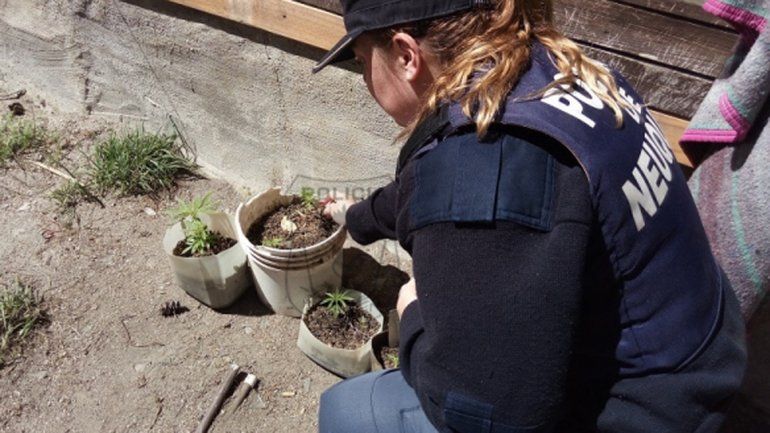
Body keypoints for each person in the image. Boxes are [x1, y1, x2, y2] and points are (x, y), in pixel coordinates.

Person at [314, 1, 747, 432]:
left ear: (407, 56)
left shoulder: (484, 166)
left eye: (362, 60)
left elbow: (489, 414)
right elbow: (426, 187)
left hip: (649, 411)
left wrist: (412, 321)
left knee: (348, 411)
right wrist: (356, 217)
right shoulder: (553, 69)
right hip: (701, 346)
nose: (366, 78)